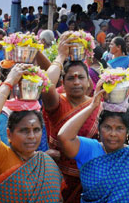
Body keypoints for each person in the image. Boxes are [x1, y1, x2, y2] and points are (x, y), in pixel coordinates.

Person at [57, 86, 129, 202]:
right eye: (107, 127)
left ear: (127, 131)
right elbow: (64, 137)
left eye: (119, 128)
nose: (113, 134)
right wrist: (92, 106)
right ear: (99, 129)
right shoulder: (90, 149)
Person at [0, 64, 62, 202]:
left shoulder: (46, 162)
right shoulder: (0, 156)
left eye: (36, 130)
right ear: (9, 134)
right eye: (24, 130)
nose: (31, 136)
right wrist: (9, 82)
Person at [42, 40, 101, 203]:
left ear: (89, 81)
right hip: (58, 178)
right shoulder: (57, 103)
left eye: (81, 77)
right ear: (63, 82)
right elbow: (45, 85)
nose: (76, 82)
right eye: (71, 78)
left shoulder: (98, 105)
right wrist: (60, 56)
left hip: (90, 178)